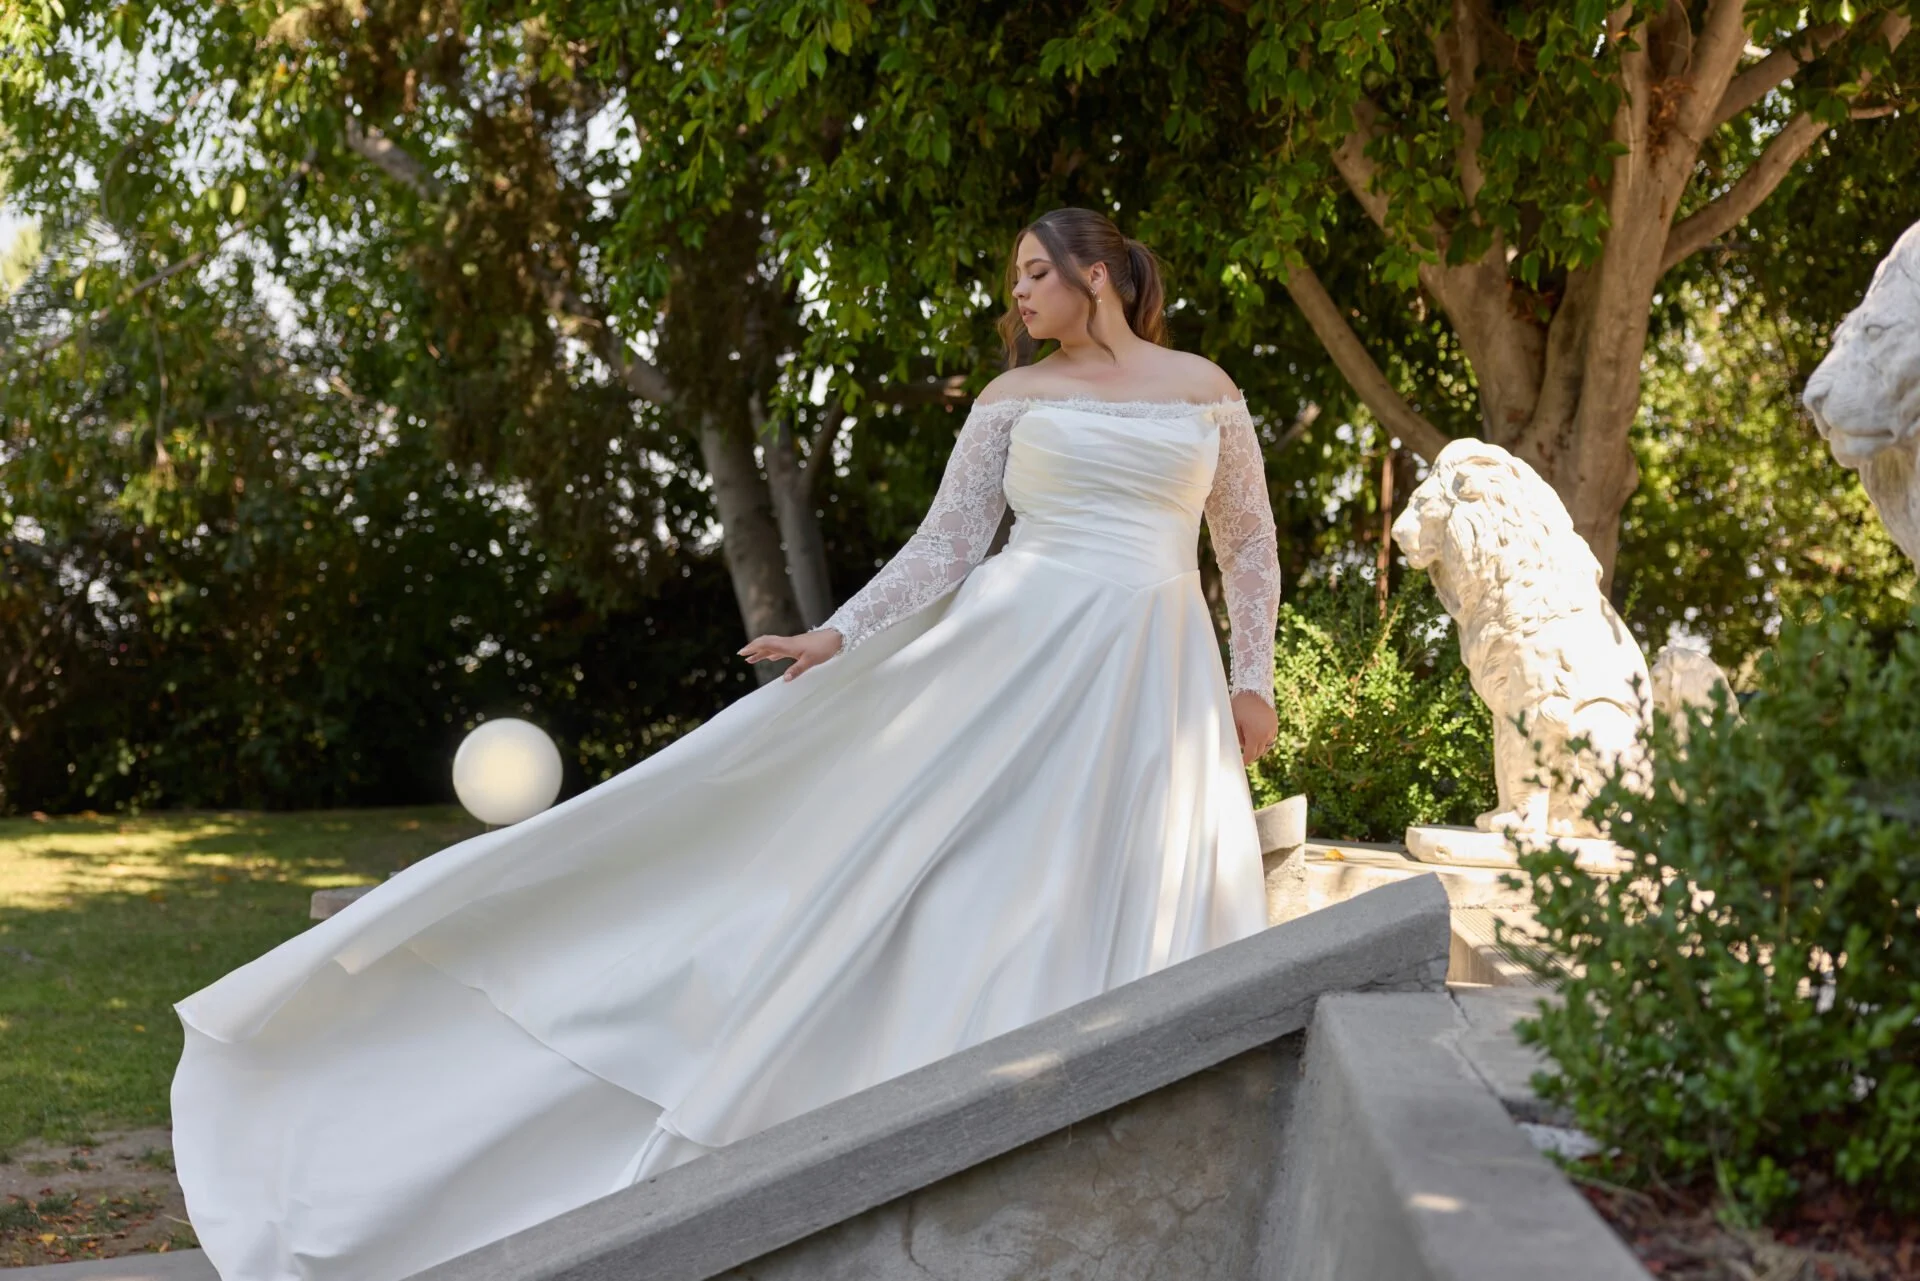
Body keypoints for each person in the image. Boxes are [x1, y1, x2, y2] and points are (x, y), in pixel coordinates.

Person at [169, 206, 1283, 1281]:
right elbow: (945, 547)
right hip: (1013, 655)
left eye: (1034, 273)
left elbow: (1245, 549)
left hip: (1151, 672)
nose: (1018, 296)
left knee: (1125, 882)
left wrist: (1250, 683)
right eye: (1013, 281)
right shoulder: (1011, 397)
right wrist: (839, 633)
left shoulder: (1206, 393)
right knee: (962, 880)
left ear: (1097, 273)